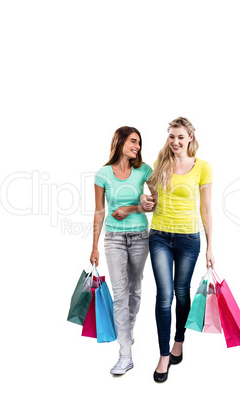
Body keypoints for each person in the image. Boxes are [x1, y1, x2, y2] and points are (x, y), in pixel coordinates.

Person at [140, 117, 214, 383]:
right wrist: (144, 199)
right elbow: (148, 190)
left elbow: (205, 209)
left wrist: (210, 246)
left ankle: (178, 342)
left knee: (182, 293)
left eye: (180, 137)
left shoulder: (203, 167)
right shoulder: (161, 164)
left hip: (189, 239)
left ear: (190, 137)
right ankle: (163, 355)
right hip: (159, 235)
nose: (175, 142)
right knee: (164, 294)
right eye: (172, 136)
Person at [90, 126, 155, 375]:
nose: (137, 146)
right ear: (119, 142)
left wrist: (131, 208)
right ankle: (125, 354)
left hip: (140, 236)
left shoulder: (144, 170)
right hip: (113, 239)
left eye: (139, 142)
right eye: (133, 141)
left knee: (135, 290)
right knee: (120, 294)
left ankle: (127, 331)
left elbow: (155, 204)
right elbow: (99, 211)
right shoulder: (103, 174)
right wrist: (94, 245)